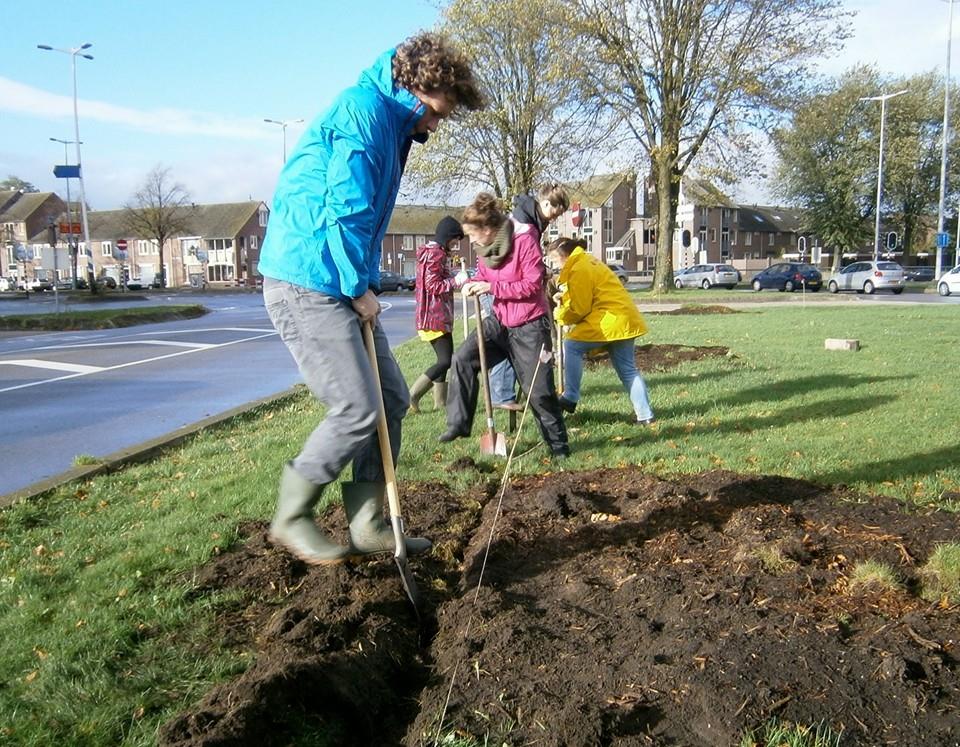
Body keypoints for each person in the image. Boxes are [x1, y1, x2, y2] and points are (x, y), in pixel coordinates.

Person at [257, 33, 483, 565]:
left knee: (392, 399)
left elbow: (361, 219)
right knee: (357, 408)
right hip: (306, 280)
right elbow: (343, 212)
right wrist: (357, 287)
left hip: (338, 276)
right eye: (437, 113)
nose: (435, 125)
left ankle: (368, 523)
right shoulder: (364, 114)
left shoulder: (389, 120)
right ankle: (291, 517)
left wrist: (362, 282)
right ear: (419, 87)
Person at [440, 193, 569, 459]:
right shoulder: (487, 251)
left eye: (474, 235)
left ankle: (559, 449)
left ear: (488, 229)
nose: (472, 241)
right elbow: (484, 276)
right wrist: (471, 284)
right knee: (463, 357)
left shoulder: (525, 240)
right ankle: (458, 423)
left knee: (540, 393)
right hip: (501, 321)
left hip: (530, 325)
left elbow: (532, 286)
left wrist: (491, 287)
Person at [547, 237, 655, 425]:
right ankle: (645, 416)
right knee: (628, 371)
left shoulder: (578, 268)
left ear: (564, 255)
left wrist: (560, 314)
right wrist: (565, 296)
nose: (555, 266)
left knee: (571, 345)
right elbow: (593, 291)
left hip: (608, 320)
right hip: (623, 319)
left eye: (555, 260)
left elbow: (580, 308)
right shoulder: (588, 261)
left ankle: (570, 397)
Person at [408, 216, 468, 413]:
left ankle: (440, 402)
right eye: (454, 240)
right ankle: (412, 395)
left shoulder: (433, 252)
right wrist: (456, 282)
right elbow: (432, 285)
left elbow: (435, 279)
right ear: (446, 237)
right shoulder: (437, 255)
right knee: (445, 361)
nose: (455, 244)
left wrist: (453, 276)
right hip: (434, 317)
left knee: (444, 359)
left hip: (434, 315)